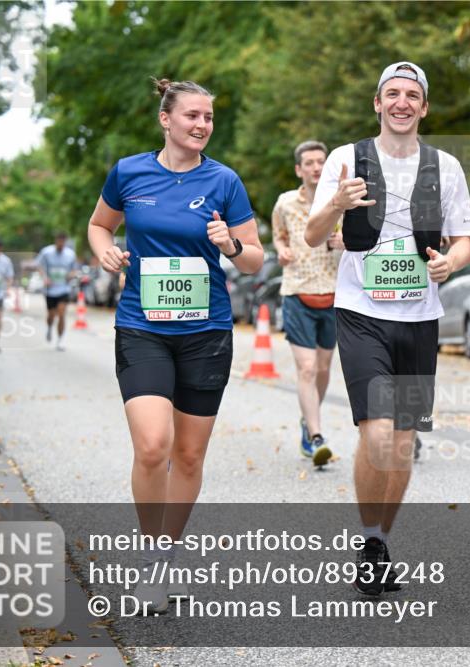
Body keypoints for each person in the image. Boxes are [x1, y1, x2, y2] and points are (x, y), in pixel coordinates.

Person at [87, 77, 263, 614]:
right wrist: (106, 252)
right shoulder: (129, 172)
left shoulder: (224, 181)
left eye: (208, 117)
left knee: (187, 455)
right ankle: (148, 557)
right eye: (192, 116)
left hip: (205, 333)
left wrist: (230, 244)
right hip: (142, 326)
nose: (202, 125)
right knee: (153, 446)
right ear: (167, 119)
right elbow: (99, 225)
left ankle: (166, 557)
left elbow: (255, 258)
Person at [305, 62, 470, 596]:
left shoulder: (444, 166)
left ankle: (377, 542)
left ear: (424, 108)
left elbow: (463, 238)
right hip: (361, 313)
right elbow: (312, 236)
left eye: (412, 96)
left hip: (420, 319)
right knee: (376, 433)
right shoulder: (345, 158)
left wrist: (453, 263)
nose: (401, 103)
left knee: (401, 444)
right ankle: (367, 535)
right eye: (392, 94)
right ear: (377, 103)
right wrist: (336, 202)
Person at [272, 140, 343, 466]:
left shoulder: (341, 201)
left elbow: (358, 241)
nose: (316, 167)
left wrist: (344, 241)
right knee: (308, 367)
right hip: (297, 292)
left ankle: (307, 420)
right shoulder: (285, 203)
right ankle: (316, 436)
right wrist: (281, 250)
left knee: (324, 369)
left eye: (320, 162)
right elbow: (278, 235)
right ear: (299, 170)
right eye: (309, 163)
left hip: (334, 294)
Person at [36, 231, 79, 350]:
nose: (61, 243)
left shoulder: (70, 254)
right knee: (51, 315)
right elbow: (39, 266)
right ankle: (49, 328)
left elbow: (75, 270)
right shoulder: (46, 252)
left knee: (61, 314)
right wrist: (44, 278)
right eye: (59, 241)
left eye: (63, 241)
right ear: (56, 240)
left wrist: (71, 275)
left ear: (65, 242)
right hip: (50, 290)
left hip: (64, 289)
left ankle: (60, 340)